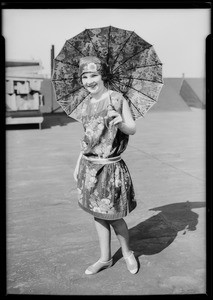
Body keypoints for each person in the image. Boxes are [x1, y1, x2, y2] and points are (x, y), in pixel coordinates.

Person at [74, 56, 138, 275]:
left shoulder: (117, 99)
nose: (89, 80)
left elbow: (132, 128)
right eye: (85, 76)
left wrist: (120, 122)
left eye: (94, 75)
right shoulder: (85, 105)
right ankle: (105, 258)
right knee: (97, 214)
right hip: (89, 167)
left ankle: (128, 252)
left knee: (114, 216)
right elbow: (87, 139)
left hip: (110, 168)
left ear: (103, 76)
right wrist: (77, 165)